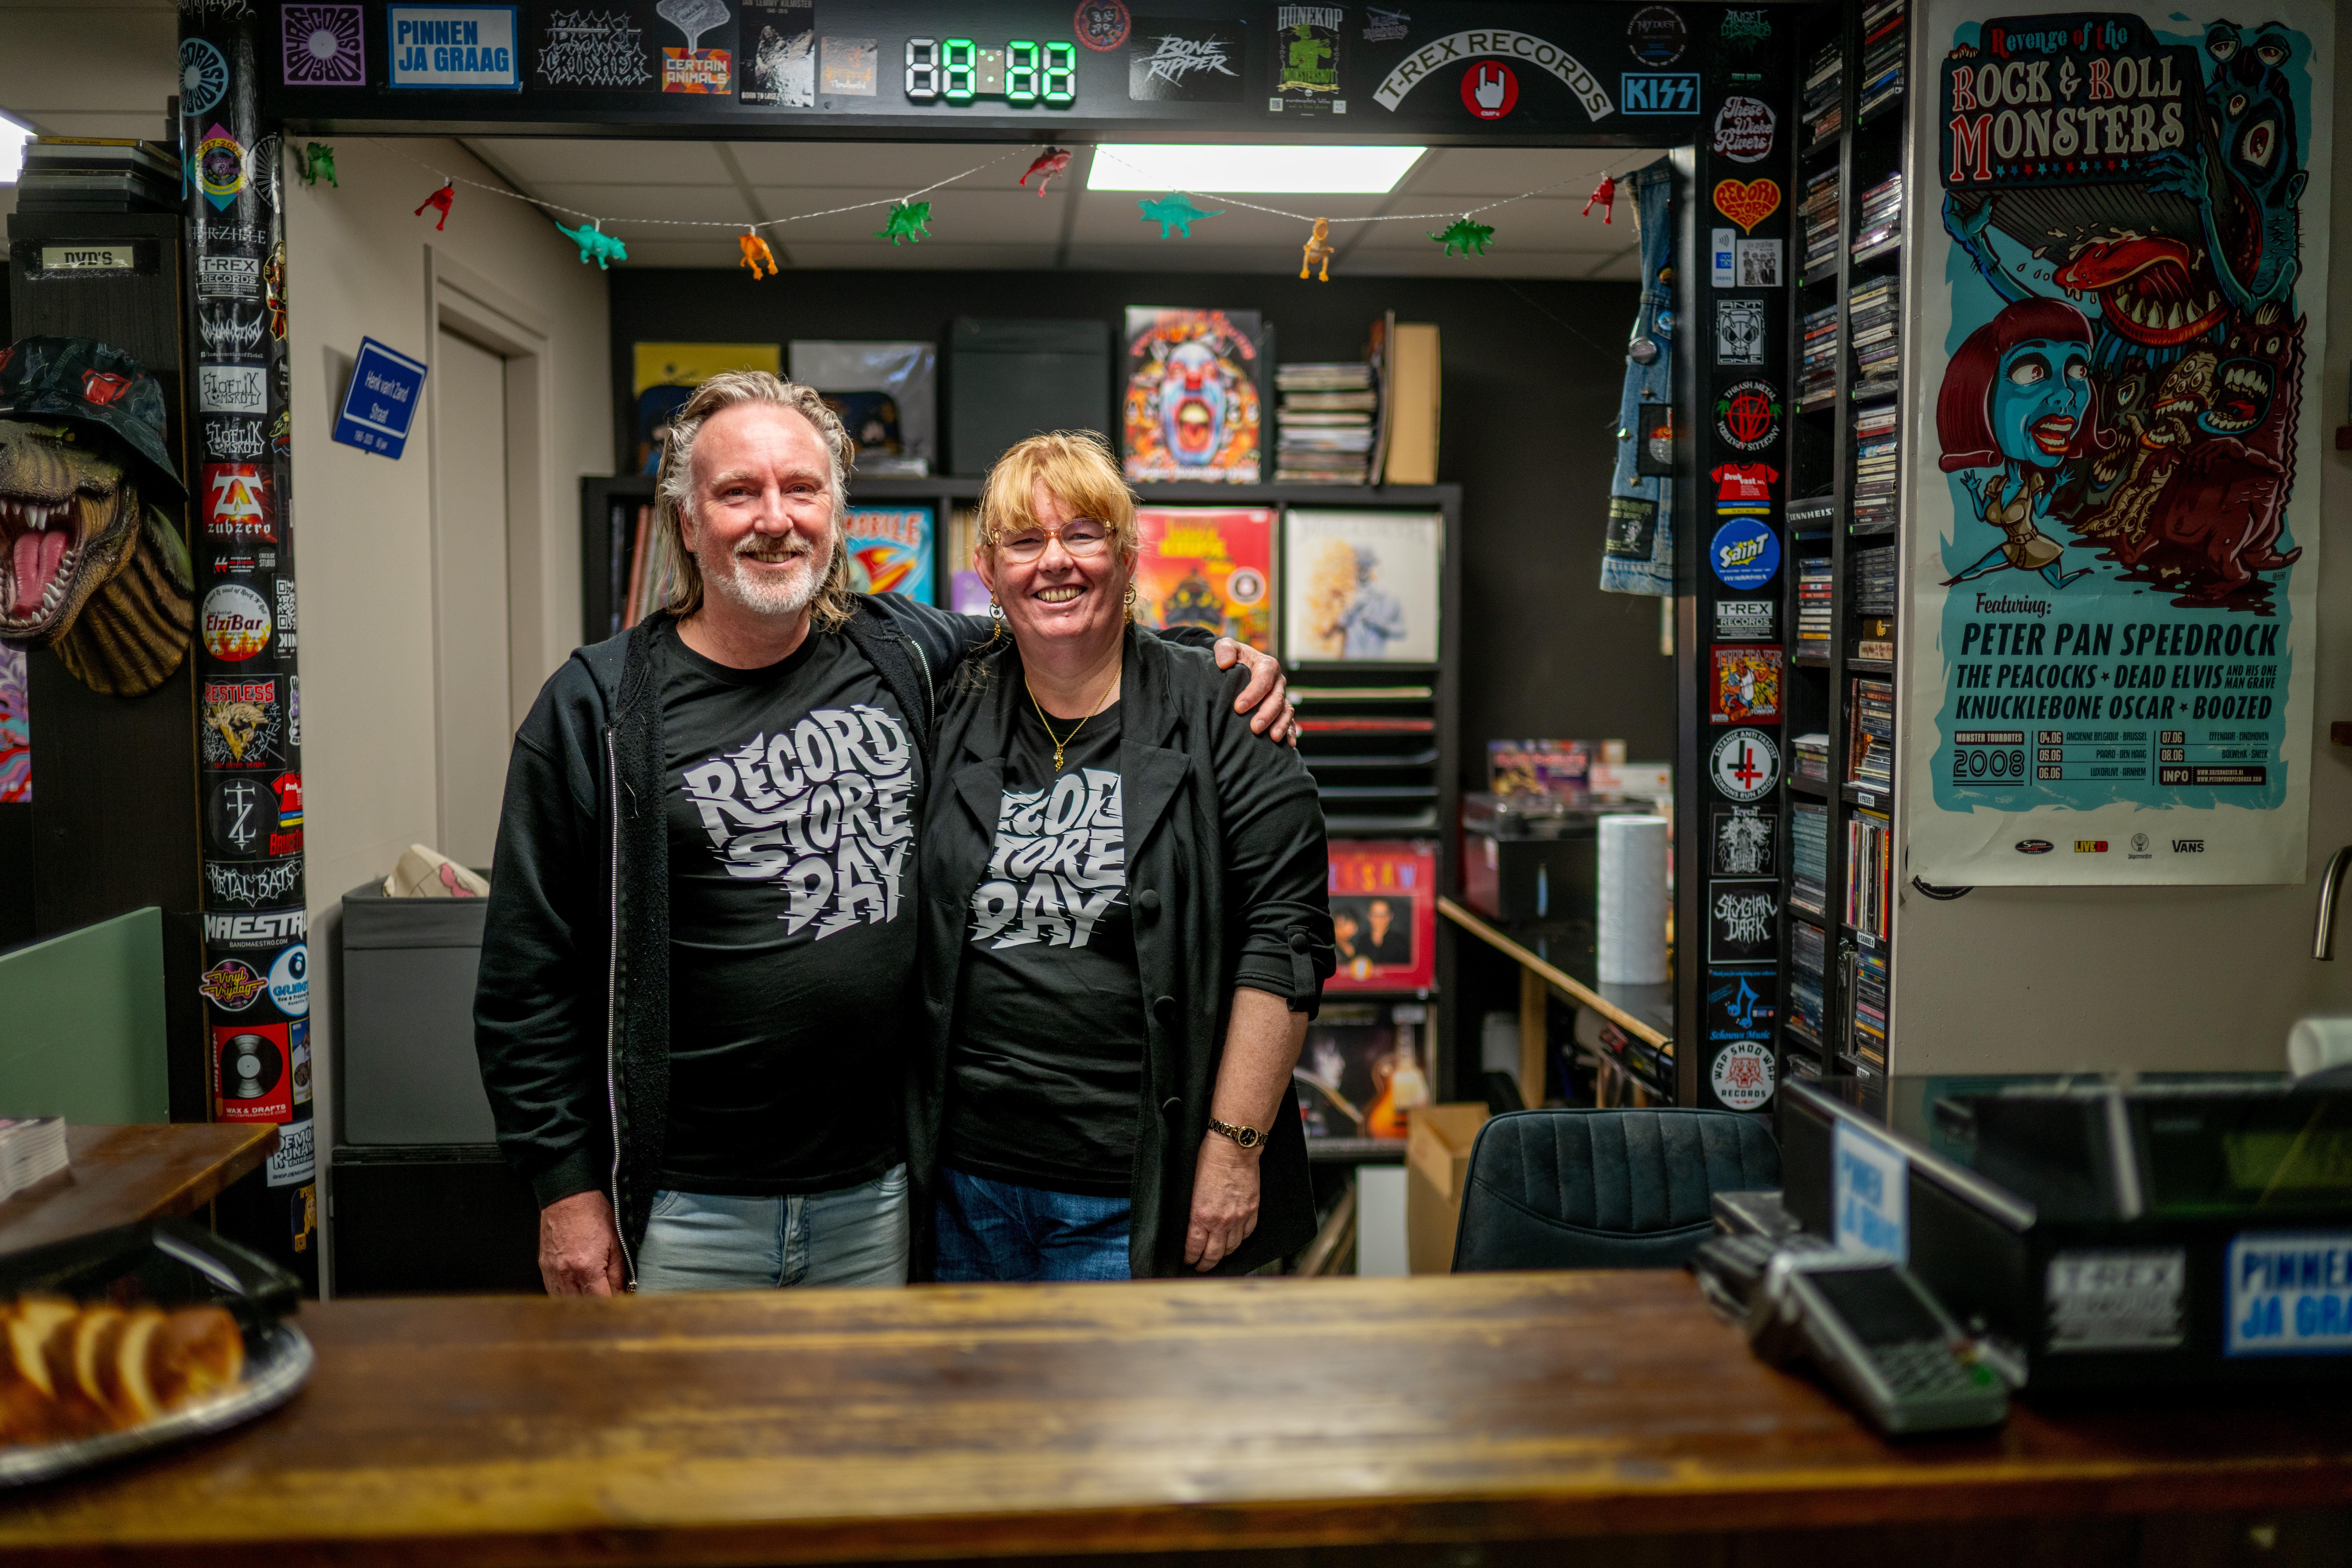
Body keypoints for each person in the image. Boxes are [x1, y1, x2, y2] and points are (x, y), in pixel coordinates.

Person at [474, 376, 1294, 1296]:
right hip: (685, 1206)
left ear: (836, 514)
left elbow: (1060, 628)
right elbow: (526, 979)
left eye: (803, 489)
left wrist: (1213, 659)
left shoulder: (905, 651)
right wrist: (566, 1192)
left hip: (881, 1195)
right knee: (691, 1441)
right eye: (738, 491)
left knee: (876, 1434)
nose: (774, 519)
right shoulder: (597, 710)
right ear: (686, 522)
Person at [909, 431, 1334, 1282]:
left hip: (1139, 1186)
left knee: (1124, 1416)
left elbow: (1285, 940)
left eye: (1083, 534)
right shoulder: (946, 701)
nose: (1054, 562)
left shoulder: (1225, 708)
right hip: (961, 1184)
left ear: (1129, 552)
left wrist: (1234, 1147)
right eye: (1024, 542)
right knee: (976, 1415)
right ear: (989, 573)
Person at [1936, 297, 2098, 591]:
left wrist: (2058, 484)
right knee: (1974, 571)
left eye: (2078, 370)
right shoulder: (1998, 487)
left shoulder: (2030, 486)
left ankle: (2084, 574)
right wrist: (1974, 491)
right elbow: (1983, 514)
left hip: (2035, 547)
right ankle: (1948, 583)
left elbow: (2042, 506)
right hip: (2014, 548)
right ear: (1982, 390)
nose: (2065, 395)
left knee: (2059, 584)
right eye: (2033, 371)